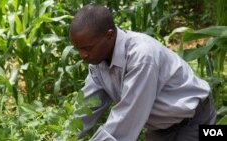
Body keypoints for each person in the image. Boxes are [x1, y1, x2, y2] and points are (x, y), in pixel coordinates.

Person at [69, 4, 217, 141]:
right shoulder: (97, 62)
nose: (83, 55)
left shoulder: (141, 56)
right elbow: (86, 108)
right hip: (159, 128)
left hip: (193, 121)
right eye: (79, 49)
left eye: (87, 48)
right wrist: (63, 137)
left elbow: (126, 119)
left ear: (109, 35)